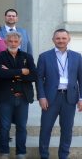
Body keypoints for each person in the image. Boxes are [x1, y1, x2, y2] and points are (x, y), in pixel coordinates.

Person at [37, 29, 82, 159]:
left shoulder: (77, 57)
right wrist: (41, 96)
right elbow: (39, 78)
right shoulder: (44, 56)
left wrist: (81, 98)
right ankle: (44, 156)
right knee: (46, 129)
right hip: (51, 98)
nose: (61, 41)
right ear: (53, 40)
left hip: (70, 98)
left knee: (67, 130)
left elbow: (81, 78)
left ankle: (63, 156)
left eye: (63, 38)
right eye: (58, 38)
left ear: (68, 39)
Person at [0, 31, 36, 159]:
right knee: (4, 126)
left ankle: (21, 153)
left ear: (20, 42)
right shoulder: (0, 56)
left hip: (23, 96)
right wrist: (21, 71)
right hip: (5, 97)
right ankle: (4, 152)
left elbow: (33, 75)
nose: (13, 43)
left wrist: (11, 72)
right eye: (10, 41)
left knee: (22, 127)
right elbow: (1, 73)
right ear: (6, 42)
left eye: (15, 41)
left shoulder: (27, 56)